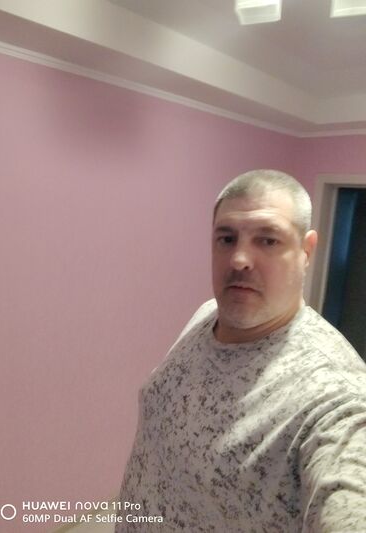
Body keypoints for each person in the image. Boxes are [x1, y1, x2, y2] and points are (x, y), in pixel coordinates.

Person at [115, 170, 366, 532]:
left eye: (268, 240)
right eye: (227, 238)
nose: (239, 259)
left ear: (306, 251)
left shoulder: (334, 392)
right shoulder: (206, 315)